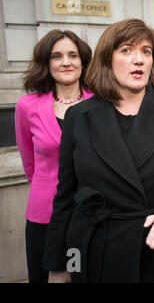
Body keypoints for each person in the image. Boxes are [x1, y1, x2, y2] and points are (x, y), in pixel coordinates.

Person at [42, 19, 154, 283]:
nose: (139, 59)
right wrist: (58, 265)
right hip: (97, 251)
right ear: (108, 59)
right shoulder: (79, 117)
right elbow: (65, 195)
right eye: (127, 50)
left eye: (146, 51)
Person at [15, 30, 92, 283]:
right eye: (57, 56)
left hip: (90, 213)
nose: (66, 62)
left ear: (83, 61)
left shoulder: (101, 103)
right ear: (47, 63)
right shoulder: (27, 106)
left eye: (73, 55)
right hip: (44, 216)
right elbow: (30, 164)